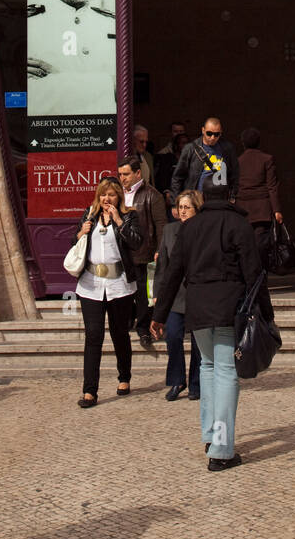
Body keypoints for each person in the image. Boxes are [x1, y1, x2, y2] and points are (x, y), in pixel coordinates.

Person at [150, 183, 272, 471]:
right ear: (230, 199)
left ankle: (209, 435)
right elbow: (254, 272)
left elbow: (173, 273)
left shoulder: (189, 228)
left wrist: (159, 314)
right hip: (229, 306)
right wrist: (267, 312)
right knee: (226, 371)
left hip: (198, 306)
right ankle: (221, 449)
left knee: (207, 366)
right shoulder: (238, 224)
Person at [72, 177, 143, 406]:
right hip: (91, 284)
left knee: (119, 333)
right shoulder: (89, 214)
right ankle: (89, 391)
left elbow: (136, 243)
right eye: (103, 194)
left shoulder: (130, 215)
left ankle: (124, 376)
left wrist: (119, 220)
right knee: (93, 335)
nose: (106, 199)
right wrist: (81, 233)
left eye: (111, 194)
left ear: (119, 196)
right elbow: (76, 246)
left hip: (118, 283)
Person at [154, 190, 203, 401]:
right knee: (173, 336)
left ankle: (196, 383)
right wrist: (157, 294)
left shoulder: (203, 231)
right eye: (180, 207)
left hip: (196, 295)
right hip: (174, 296)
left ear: (197, 210)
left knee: (197, 343)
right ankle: (177, 380)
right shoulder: (169, 230)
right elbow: (162, 266)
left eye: (187, 207)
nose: (182, 211)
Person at [117, 155, 166, 348]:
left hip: (142, 251)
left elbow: (161, 224)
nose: (123, 178)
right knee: (123, 289)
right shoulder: (117, 193)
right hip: (120, 252)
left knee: (141, 292)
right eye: (120, 174)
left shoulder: (152, 195)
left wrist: (160, 249)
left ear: (138, 173)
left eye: (126, 174)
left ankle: (143, 328)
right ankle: (127, 321)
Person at [235, 128, 282, 271]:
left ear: (243, 143)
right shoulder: (267, 159)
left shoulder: (238, 161)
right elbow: (272, 186)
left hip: (243, 209)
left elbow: (234, 186)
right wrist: (277, 210)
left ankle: (249, 272)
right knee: (261, 244)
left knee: (246, 244)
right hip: (262, 209)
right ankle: (260, 273)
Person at [170, 116, 239, 197]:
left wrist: (232, 196)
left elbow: (235, 175)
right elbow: (177, 178)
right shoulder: (190, 149)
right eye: (209, 133)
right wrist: (175, 203)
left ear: (221, 133)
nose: (212, 137)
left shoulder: (228, 148)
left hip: (220, 199)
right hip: (196, 199)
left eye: (216, 134)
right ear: (203, 130)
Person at [154, 124, 187, 210]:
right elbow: (162, 177)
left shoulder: (191, 159)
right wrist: (166, 192)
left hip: (187, 196)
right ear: (176, 145)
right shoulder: (166, 157)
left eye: (187, 143)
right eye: (182, 143)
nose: (185, 146)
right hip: (172, 197)